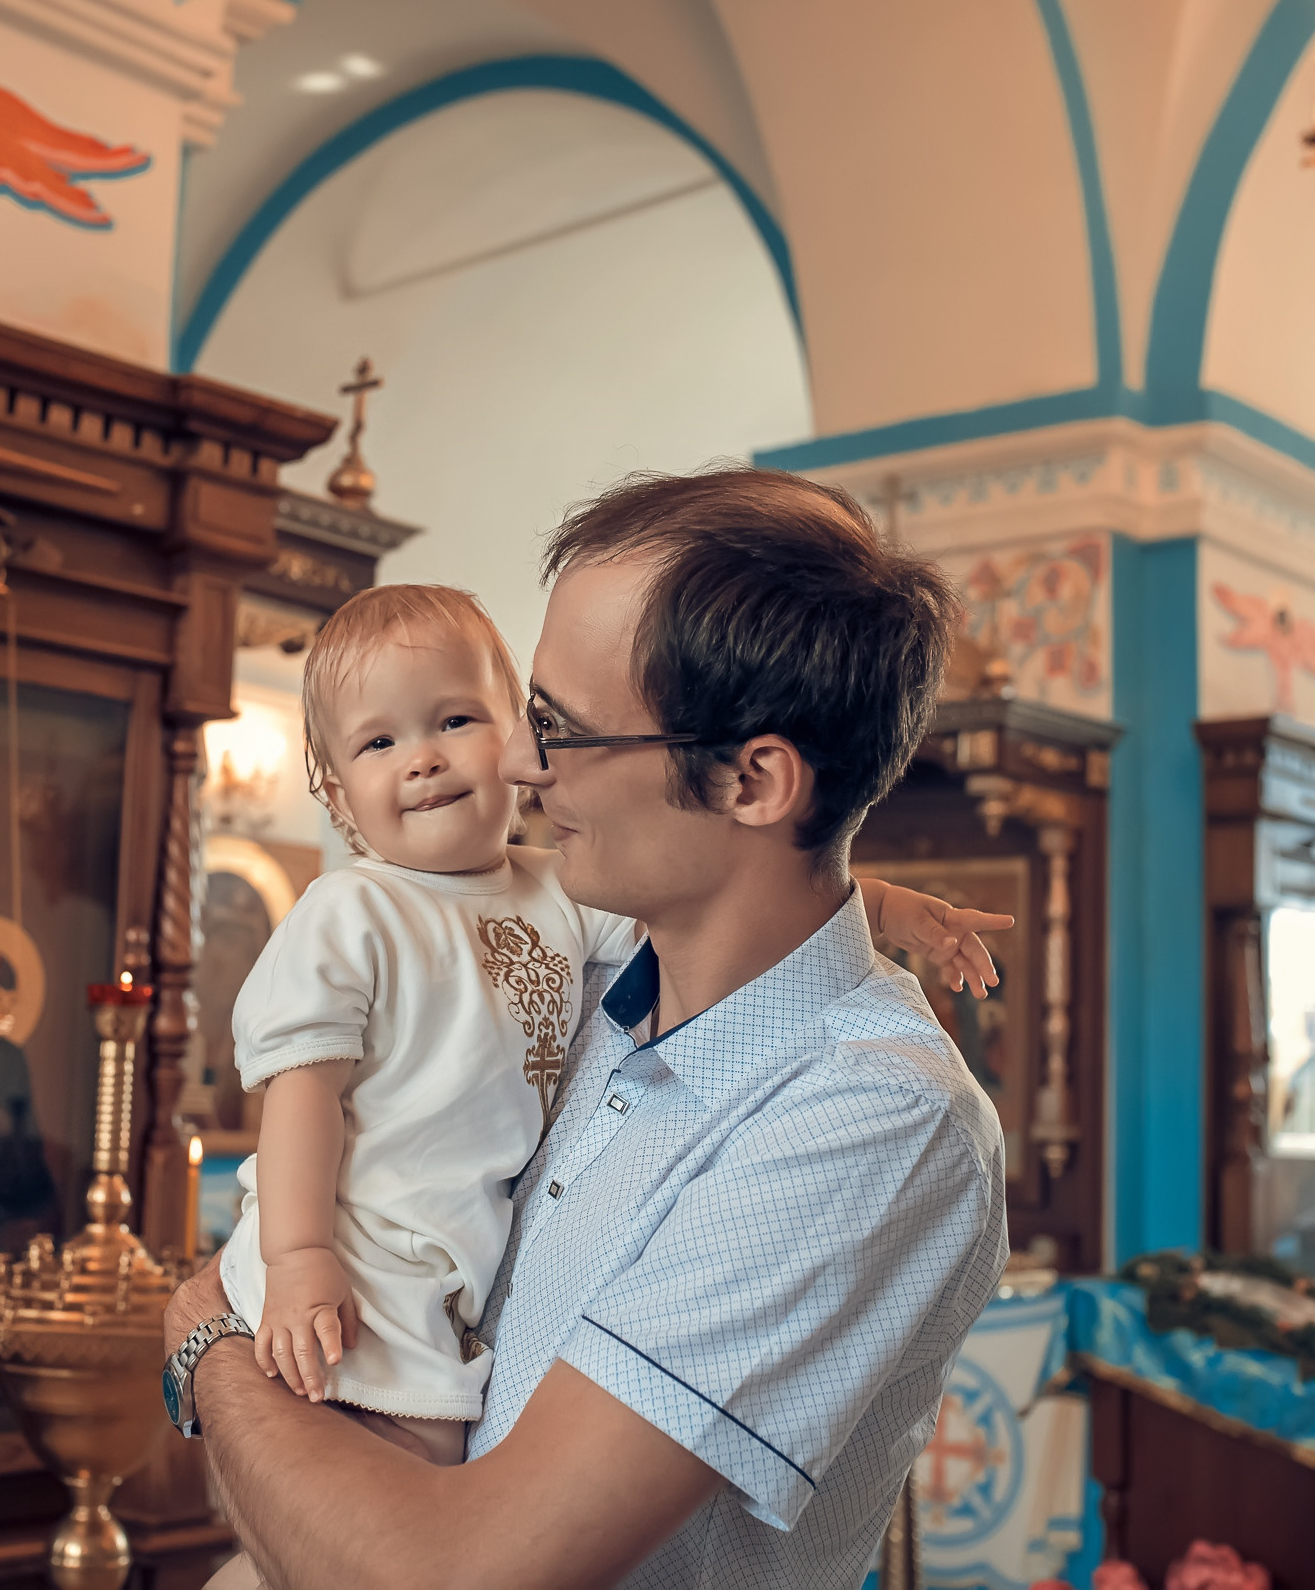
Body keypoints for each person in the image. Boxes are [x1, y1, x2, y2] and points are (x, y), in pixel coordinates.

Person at [164, 469, 1009, 1589]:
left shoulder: (871, 1113)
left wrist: (206, 1338)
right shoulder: (588, 970)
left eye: (556, 727)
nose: (513, 763)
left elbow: (449, 1575)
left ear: (752, 780)